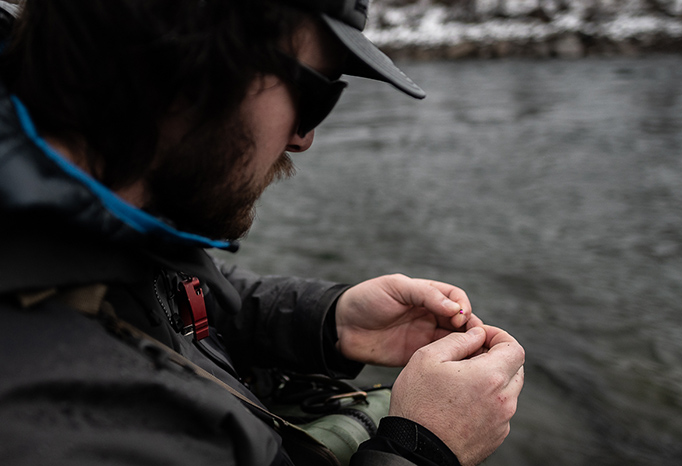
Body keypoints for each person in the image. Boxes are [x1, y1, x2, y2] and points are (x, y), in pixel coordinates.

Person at [0, 1, 525, 465]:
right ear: (188, 60)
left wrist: (330, 322)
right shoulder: (49, 424)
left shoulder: (84, 217)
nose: (305, 138)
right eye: (315, 93)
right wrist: (423, 448)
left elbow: (147, 295)